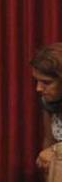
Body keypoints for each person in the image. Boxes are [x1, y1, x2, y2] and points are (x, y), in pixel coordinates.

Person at [31, 43, 62, 172]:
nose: (38, 88)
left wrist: (55, 152)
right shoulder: (49, 102)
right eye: (37, 81)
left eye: (46, 82)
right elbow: (48, 142)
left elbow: (52, 151)